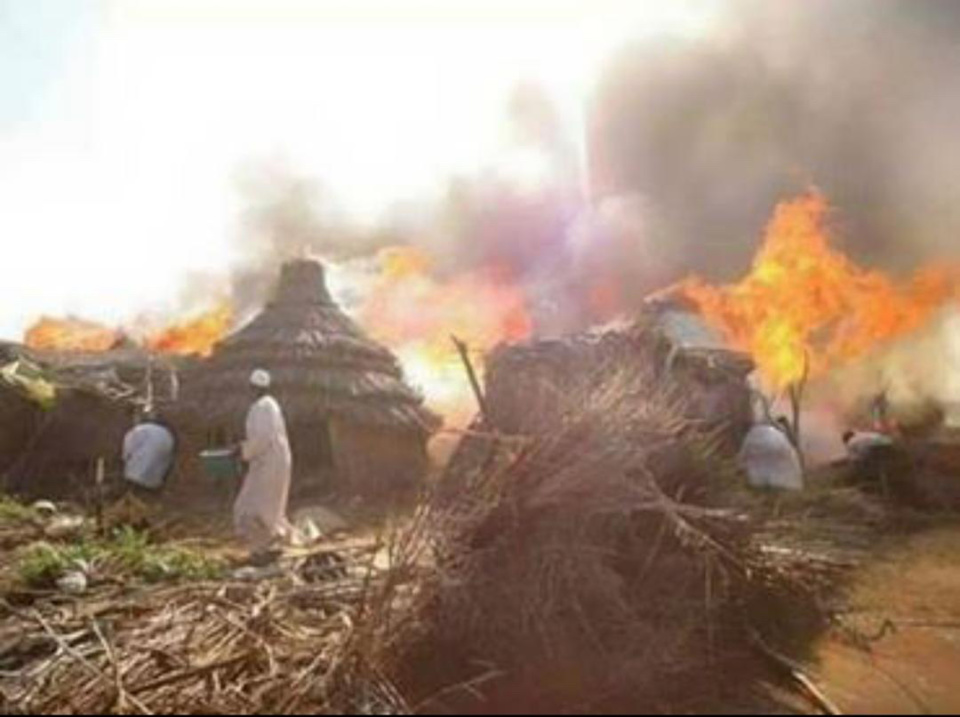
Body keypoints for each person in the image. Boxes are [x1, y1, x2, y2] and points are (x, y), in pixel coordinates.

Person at [233, 369, 294, 564]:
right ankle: (267, 546)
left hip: (269, 463)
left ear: (253, 388)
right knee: (267, 507)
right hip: (269, 462)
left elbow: (261, 438)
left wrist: (242, 450)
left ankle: (262, 551)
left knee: (252, 508)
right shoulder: (269, 405)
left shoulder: (261, 407)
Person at [122, 406, 177, 493]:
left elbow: (127, 453)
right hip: (157, 479)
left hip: (136, 476)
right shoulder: (166, 433)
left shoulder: (137, 431)